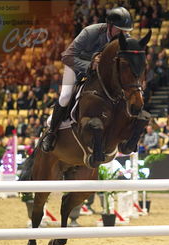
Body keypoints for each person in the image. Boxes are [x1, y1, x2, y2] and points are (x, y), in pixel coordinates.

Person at [42, 7, 133, 152]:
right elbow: (67, 56)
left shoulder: (125, 40)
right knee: (65, 96)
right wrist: (90, 64)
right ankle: (51, 132)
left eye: (126, 31)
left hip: (100, 75)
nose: (124, 34)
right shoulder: (90, 32)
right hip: (76, 67)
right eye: (120, 29)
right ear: (109, 26)